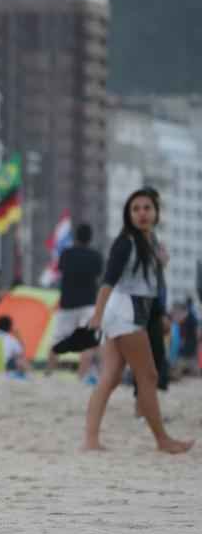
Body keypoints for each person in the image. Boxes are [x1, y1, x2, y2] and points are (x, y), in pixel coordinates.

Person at [82, 189, 193, 454]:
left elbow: (148, 283)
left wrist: (160, 268)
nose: (142, 213)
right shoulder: (126, 242)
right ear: (128, 214)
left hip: (128, 311)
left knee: (110, 377)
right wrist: (96, 315)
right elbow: (108, 280)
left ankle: (90, 440)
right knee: (148, 376)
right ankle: (163, 440)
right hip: (125, 312)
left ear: (156, 212)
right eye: (136, 209)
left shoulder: (151, 241)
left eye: (147, 208)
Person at [48, 223, 104, 379]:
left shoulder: (66, 254)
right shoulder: (96, 256)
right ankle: (81, 375)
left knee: (58, 339)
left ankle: (49, 372)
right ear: (90, 238)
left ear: (76, 237)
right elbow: (99, 275)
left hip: (67, 303)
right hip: (88, 303)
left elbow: (59, 271)